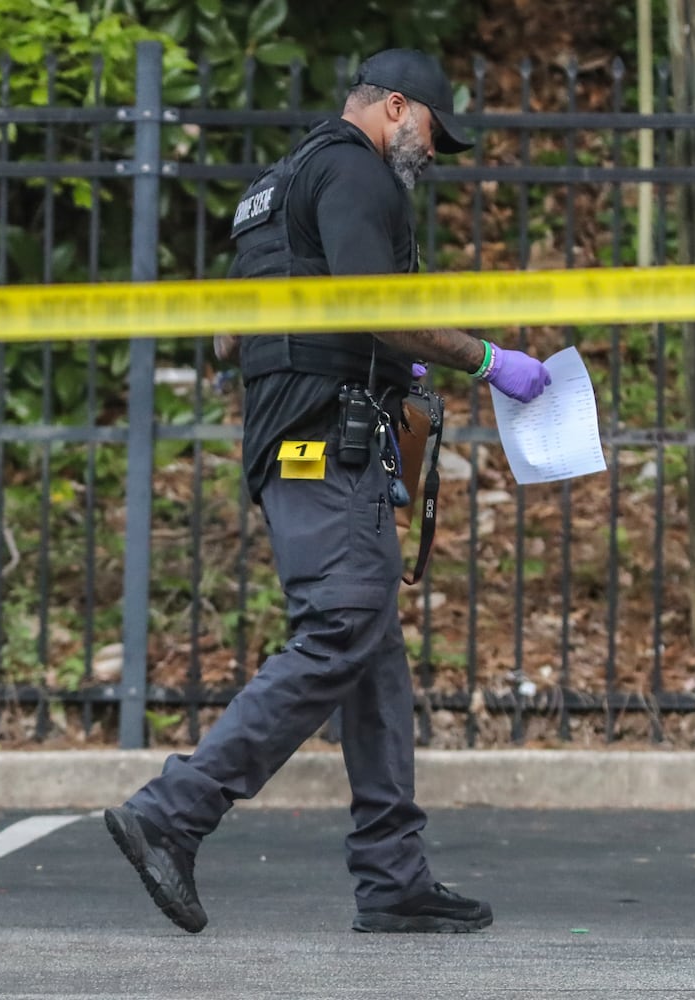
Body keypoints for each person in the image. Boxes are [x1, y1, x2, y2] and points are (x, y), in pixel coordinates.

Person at [105, 49, 552, 934]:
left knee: (372, 656)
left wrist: (389, 358)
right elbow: (366, 299)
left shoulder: (275, 187)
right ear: (394, 107)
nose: (431, 150)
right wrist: (489, 361)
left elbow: (234, 336)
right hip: (326, 442)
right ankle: (175, 808)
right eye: (430, 129)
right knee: (341, 629)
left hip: (289, 434)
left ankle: (393, 877)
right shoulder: (355, 173)